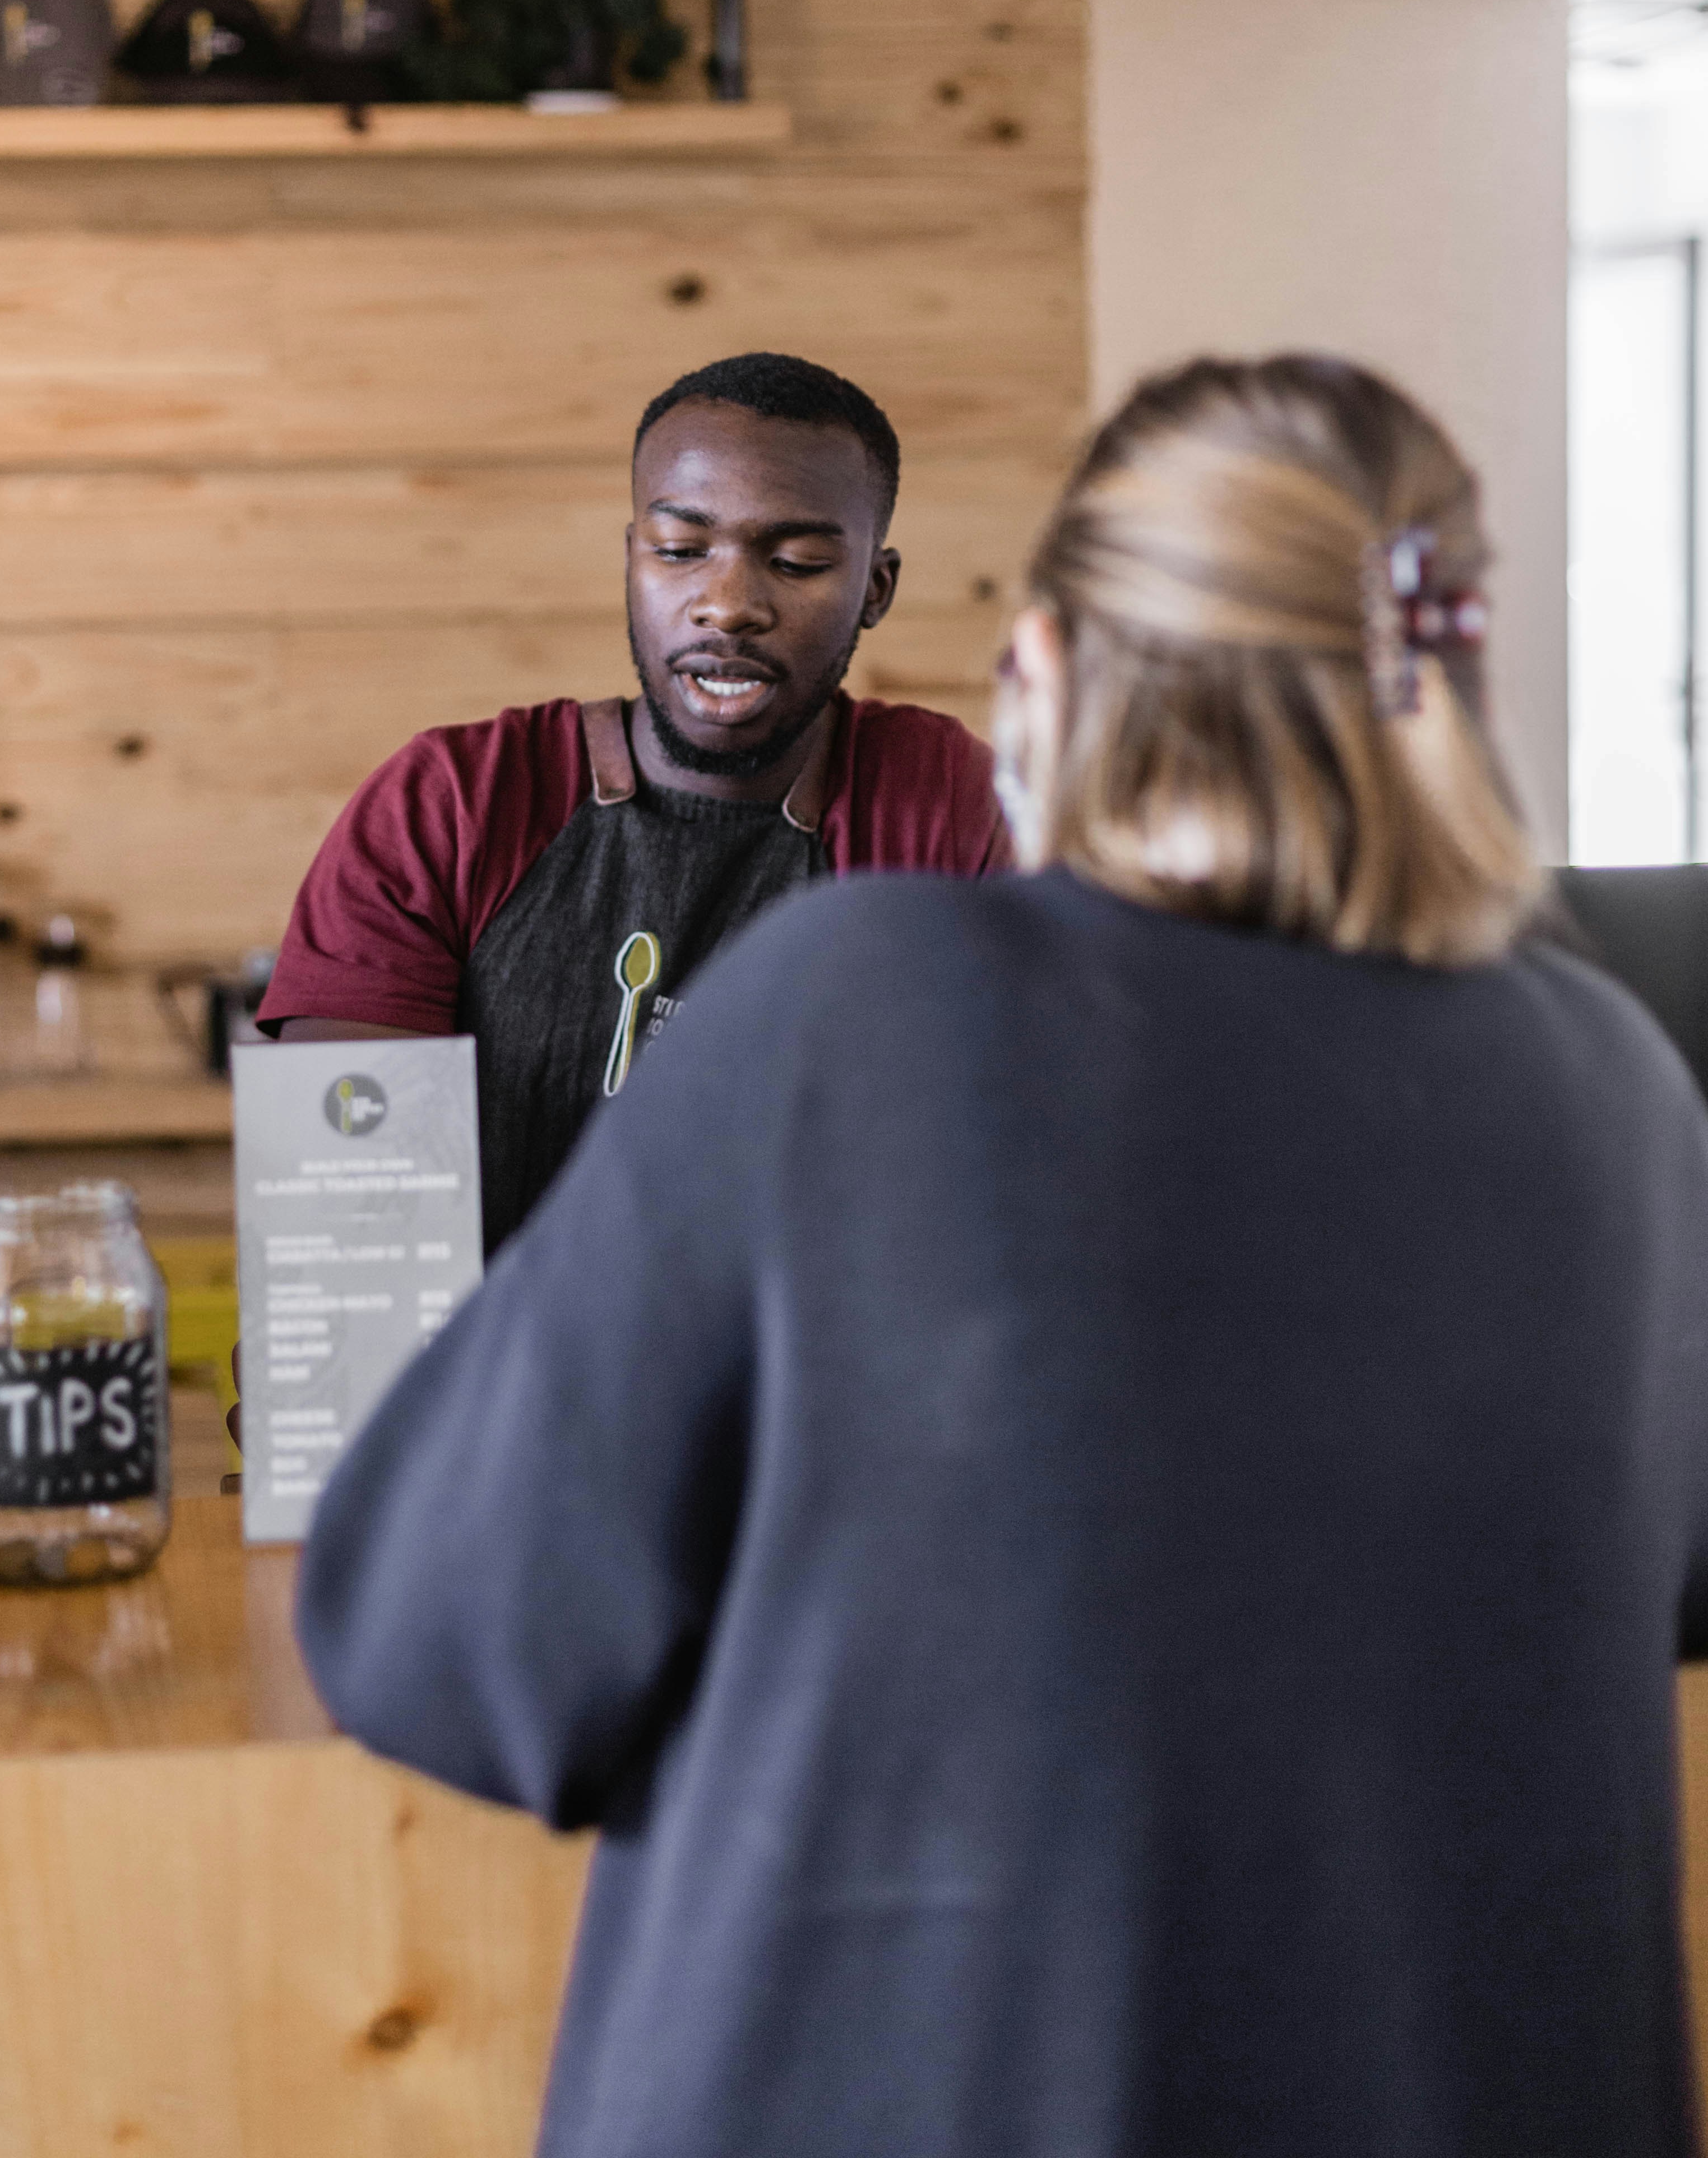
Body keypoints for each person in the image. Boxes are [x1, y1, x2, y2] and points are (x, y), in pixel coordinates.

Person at [294, 353, 1708, 2158]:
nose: (729, 597)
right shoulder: (1619, 1087)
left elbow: (438, 1641)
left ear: (1036, 671)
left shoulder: (861, 996)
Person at [258, 349, 1004, 1250]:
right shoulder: (449, 806)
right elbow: (345, 1231)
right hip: (497, 1388)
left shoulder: (952, 810)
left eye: (798, 562)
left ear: (874, 590)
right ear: (631, 559)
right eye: (682, 551)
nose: (727, 605)